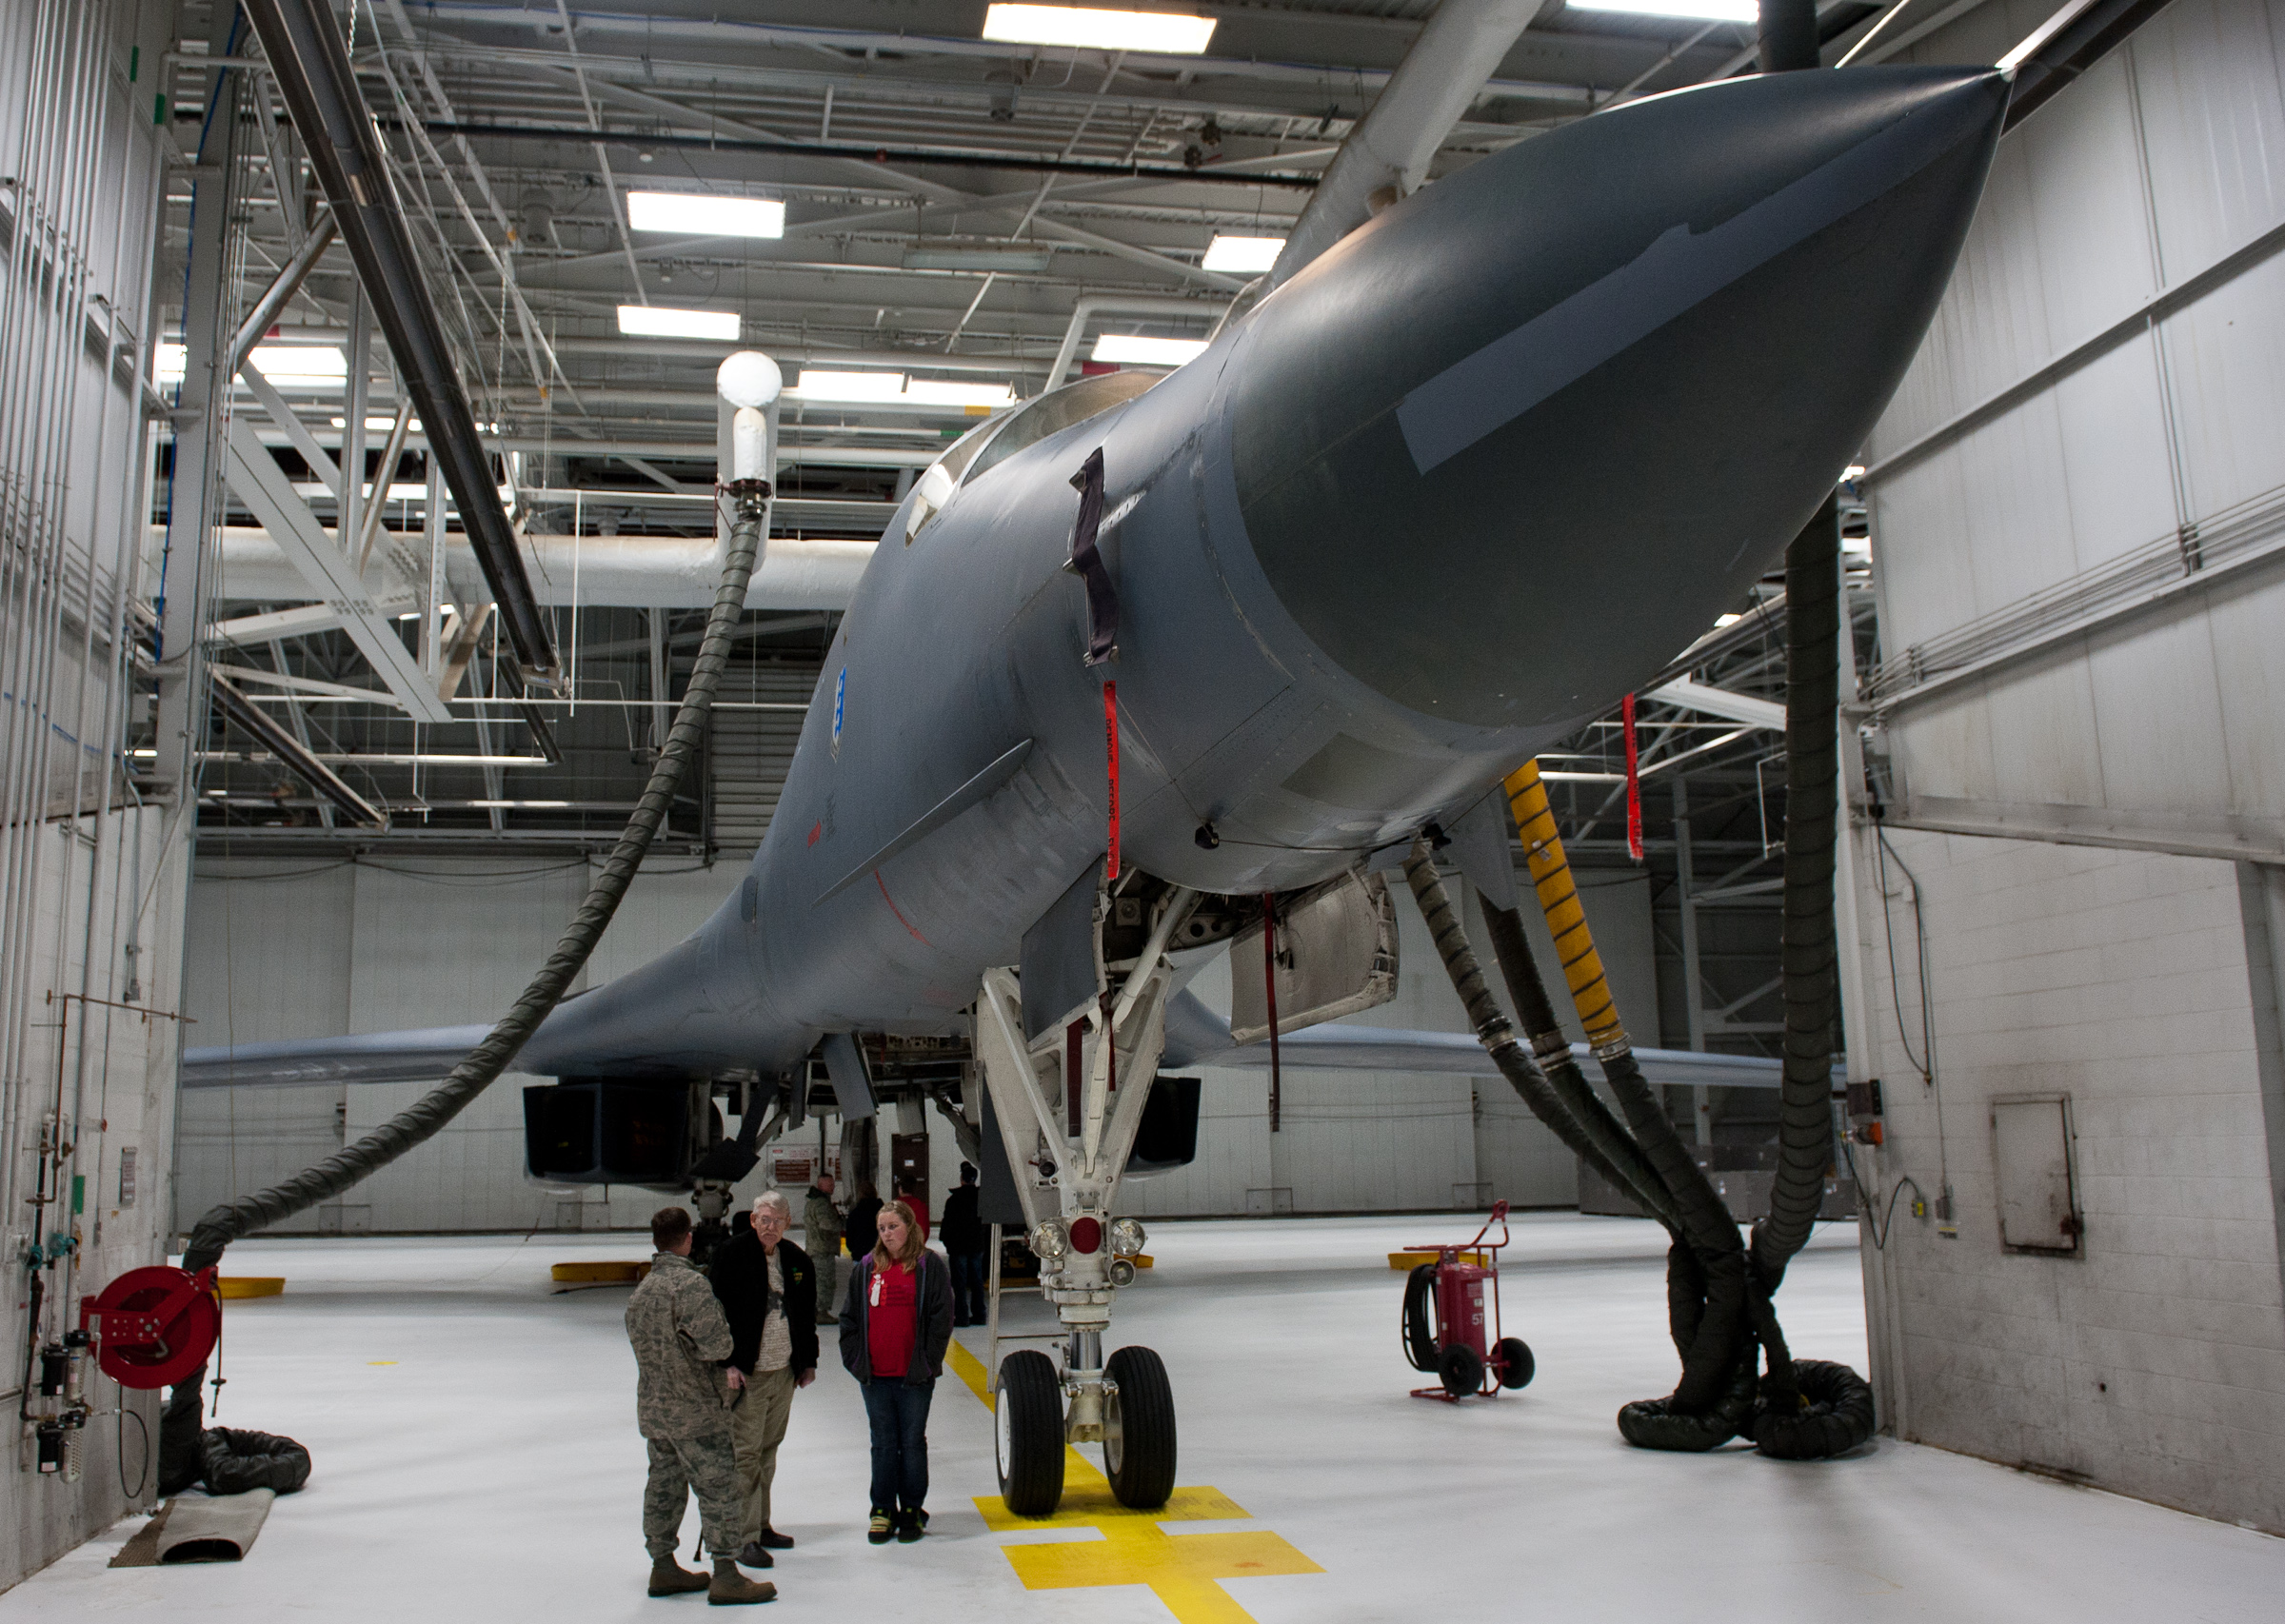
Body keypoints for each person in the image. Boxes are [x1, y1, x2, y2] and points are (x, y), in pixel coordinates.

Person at [625, 1206, 776, 1605]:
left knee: (663, 1486)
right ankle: (726, 1573)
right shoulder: (689, 1286)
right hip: (696, 1412)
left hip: (656, 1412)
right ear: (688, 1238)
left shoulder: (643, 1291)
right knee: (720, 1489)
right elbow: (719, 1345)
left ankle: (663, 1565)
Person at [709, 1191, 817, 1568]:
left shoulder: (797, 1260)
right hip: (746, 1375)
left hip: (783, 1373)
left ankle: (762, 1523)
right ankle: (744, 1537)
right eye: (763, 1220)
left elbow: (806, 1315)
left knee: (768, 1452)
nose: (769, 1227)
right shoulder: (731, 1255)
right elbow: (715, 1315)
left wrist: (808, 1362)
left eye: (777, 1221)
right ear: (753, 1220)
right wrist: (727, 1363)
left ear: (788, 1223)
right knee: (746, 1455)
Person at [839, 1199, 951, 1545]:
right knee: (883, 1444)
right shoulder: (867, 1267)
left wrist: (928, 1363)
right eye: (882, 1228)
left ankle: (913, 1509)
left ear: (909, 1227)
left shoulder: (928, 1266)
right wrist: (857, 1361)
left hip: (914, 1376)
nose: (887, 1234)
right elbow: (850, 1319)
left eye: (893, 1226)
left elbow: (941, 1318)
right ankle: (882, 1509)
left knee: (912, 1443)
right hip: (876, 1376)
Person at [939, 1162, 990, 1328]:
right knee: (977, 1280)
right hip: (976, 1245)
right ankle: (980, 1314)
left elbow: (947, 1225)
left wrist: (946, 1241)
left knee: (959, 1283)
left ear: (962, 1179)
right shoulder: (982, 1199)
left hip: (958, 1247)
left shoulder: (953, 1200)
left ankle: (961, 1317)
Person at [804, 1174, 843, 1325]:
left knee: (817, 1281)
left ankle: (816, 1310)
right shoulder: (821, 1204)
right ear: (820, 1186)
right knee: (825, 1282)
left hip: (815, 1248)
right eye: (829, 1184)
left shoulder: (813, 1202)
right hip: (823, 1248)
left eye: (833, 1184)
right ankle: (822, 1312)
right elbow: (826, 1225)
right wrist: (840, 1223)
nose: (832, 1187)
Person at [843, 1179, 883, 1271]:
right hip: (880, 1255)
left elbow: (849, 1239)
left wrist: (854, 1250)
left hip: (860, 1255)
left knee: (861, 1282)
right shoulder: (882, 1211)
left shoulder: (855, 1214)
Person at [895, 1178, 931, 1246]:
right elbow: (925, 1228)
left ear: (900, 1189)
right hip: (916, 1244)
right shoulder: (921, 1206)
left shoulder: (894, 1206)